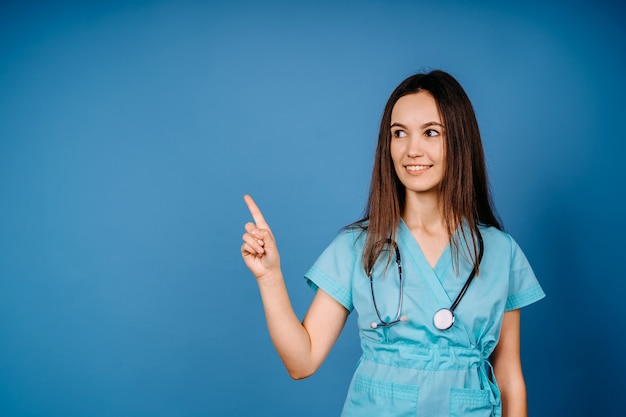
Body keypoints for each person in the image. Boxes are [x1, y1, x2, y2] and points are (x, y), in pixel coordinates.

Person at [241, 69, 545, 417]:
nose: (412, 150)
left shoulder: (500, 252)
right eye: (399, 133)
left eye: (431, 133)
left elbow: (508, 377)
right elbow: (302, 362)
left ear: (459, 142)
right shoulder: (358, 246)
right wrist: (270, 278)